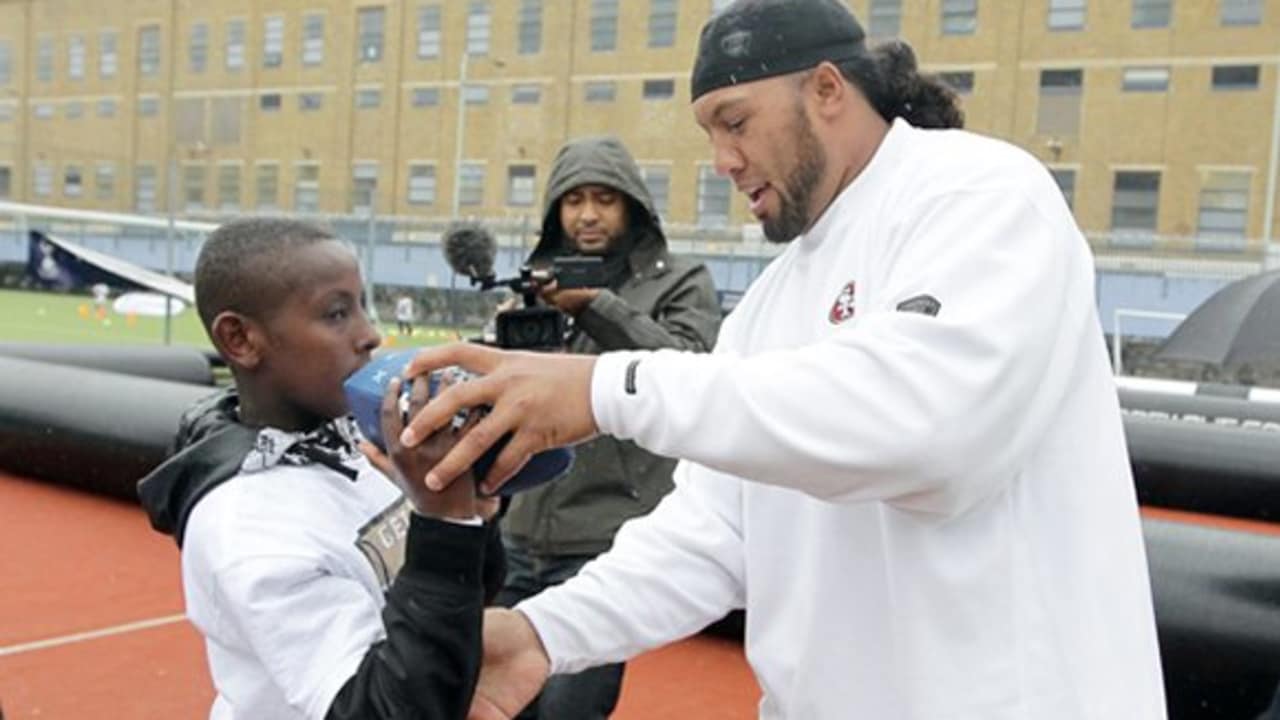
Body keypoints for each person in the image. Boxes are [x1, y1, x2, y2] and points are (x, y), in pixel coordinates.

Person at [403, 1, 1167, 718]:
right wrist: (544, 633)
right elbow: (712, 534)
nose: (722, 160)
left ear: (827, 90)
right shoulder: (772, 300)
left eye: (735, 122)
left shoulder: (983, 194)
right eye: (708, 132)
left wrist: (607, 388)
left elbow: (923, 428)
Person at [137, 218, 504, 720]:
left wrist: (472, 517)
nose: (370, 334)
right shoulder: (249, 529)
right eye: (336, 314)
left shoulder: (355, 447)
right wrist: (443, 525)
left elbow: (462, 599)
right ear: (240, 339)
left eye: (362, 306)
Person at [495, 134, 721, 720]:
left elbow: (692, 371)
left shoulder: (680, 280)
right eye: (572, 201)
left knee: (568, 713)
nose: (588, 214)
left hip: (605, 541)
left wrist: (594, 306)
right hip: (519, 532)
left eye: (604, 199)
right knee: (494, 705)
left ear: (632, 206)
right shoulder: (535, 282)